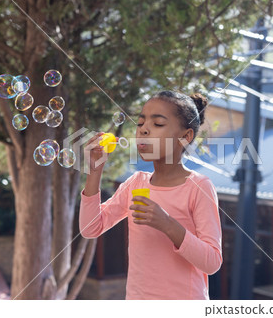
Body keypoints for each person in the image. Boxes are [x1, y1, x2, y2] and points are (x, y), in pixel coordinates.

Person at [79, 90, 222, 300]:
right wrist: (94, 170)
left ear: (185, 136)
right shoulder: (136, 183)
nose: (144, 130)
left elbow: (211, 263)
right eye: (140, 123)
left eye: (157, 124)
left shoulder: (198, 187)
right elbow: (90, 228)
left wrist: (167, 224)